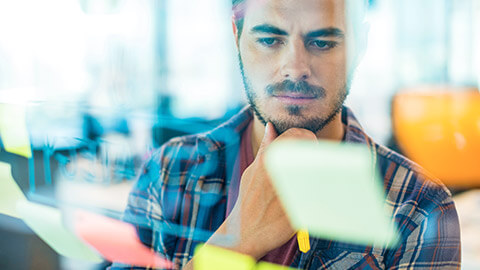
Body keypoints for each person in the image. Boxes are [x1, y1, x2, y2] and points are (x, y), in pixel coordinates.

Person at [111, 0, 461, 269]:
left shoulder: (419, 207)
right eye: (268, 39)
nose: (295, 67)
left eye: (323, 43)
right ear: (237, 37)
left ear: (360, 44)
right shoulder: (169, 172)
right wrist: (237, 241)